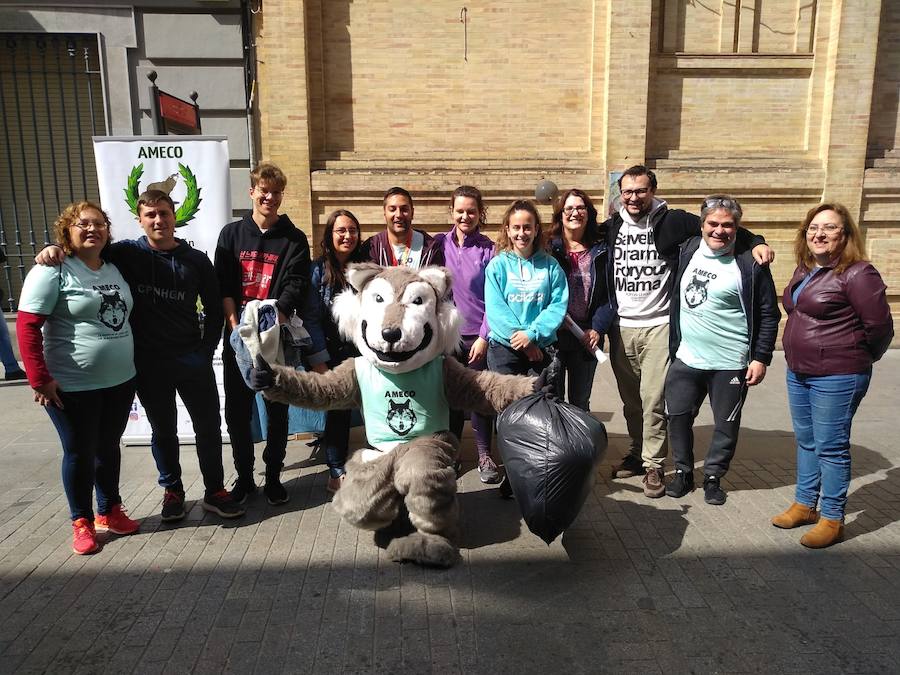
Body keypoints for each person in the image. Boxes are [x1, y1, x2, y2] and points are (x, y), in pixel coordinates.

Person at [35, 190, 244, 522]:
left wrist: (205, 352)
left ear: (175, 216)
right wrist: (53, 247)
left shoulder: (196, 260)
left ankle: (215, 491)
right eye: (151, 215)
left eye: (164, 213)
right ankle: (172, 491)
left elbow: (215, 309)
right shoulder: (125, 253)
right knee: (163, 429)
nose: (158, 220)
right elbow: (85, 248)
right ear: (140, 220)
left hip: (192, 359)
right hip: (148, 363)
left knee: (208, 426)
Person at [604, 165, 772, 498]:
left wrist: (757, 241)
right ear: (619, 194)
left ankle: (655, 465)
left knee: (654, 401)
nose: (634, 197)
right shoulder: (612, 227)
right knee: (632, 402)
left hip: (660, 325)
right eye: (627, 191)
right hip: (622, 328)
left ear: (653, 190)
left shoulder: (675, 221)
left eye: (641, 190)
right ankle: (638, 453)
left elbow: (722, 227)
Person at [16, 202, 139, 554]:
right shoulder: (52, 270)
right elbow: (27, 326)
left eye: (99, 224)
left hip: (119, 380)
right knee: (79, 452)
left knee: (108, 447)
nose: (92, 229)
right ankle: (81, 521)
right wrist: (39, 379)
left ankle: (109, 510)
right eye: (82, 224)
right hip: (71, 385)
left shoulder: (113, 267)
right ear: (66, 231)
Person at [772, 203, 893, 548]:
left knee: (831, 446)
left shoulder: (858, 274)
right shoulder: (806, 269)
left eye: (829, 228)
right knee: (807, 440)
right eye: (813, 228)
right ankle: (805, 505)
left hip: (838, 375)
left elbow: (880, 327)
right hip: (800, 371)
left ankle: (832, 518)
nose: (819, 234)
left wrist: (860, 358)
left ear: (846, 234)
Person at [215, 162, 329, 506]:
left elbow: (295, 286)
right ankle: (245, 477)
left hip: (276, 340)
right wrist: (236, 331)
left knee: (277, 411)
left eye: (276, 192)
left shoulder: (293, 238)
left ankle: (274, 476)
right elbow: (224, 286)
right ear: (252, 192)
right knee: (238, 412)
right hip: (238, 340)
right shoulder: (231, 235)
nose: (270, 197)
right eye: (264, 191)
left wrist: (270, 326)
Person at [663, 195, 781, 505]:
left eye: (728, 225)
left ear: (737, 228)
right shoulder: (687, 249)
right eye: (712, 223)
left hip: (730, 361)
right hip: (686, 358)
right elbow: (667, 223)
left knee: (726, 425)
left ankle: (713, 477)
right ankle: (683, 472)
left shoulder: (750, 263)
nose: (719, 231)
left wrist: (761, 358)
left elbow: (769, 313)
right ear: (701, 225)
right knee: (677, 418)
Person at [431, 186, 499, 482]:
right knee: (450, 399)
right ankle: (452, 453)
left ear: (480, 213)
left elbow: (496, 299)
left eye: (471, 211)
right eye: (460, 211)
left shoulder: (489, 249)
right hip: (446, 337)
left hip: (478, 337)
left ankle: (484, 454)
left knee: (478, 397)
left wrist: (484, 336)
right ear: (451, 212)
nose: (465, 216)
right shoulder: (438, 245)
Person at [310, 209, 366, 493]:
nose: (347, 236)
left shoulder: (365, 269)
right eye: (341, 230)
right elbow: (310, 318)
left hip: (364, 352)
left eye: (352, 230)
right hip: (331, 352)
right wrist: (319, 361)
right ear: (330, 235)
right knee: (338, 411)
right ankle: (335, 469)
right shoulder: (317, 271)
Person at [484, 199, 568, 378]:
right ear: (508, 230)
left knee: (541, 397)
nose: (521, 233)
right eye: (516, 227)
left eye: (527, 227)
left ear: (536, 230)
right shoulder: (497, 266)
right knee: (506, 397)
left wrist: (532, 334)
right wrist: (524, 341)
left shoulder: (551, 266)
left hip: (542, 347)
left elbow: (557, 305)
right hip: (504, 349)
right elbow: (496, 309)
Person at [548, 189, 610, 412]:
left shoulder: (602, 250)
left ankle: (579, 436)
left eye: (581, 207)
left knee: (580, 402)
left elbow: (609, 295)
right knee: (552, 399)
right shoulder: (549, 248)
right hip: (554, 336)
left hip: (586, 337)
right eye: (569, 208)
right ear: (560, 214)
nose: (575, 213)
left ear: (589, 212)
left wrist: (597, 328)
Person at [365, 187, 443, 268]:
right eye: (392, 209)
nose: (398, 215)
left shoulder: (430, 248)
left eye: (404, 209)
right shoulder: (372, 247)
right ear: (385, 213)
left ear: (412, 213)